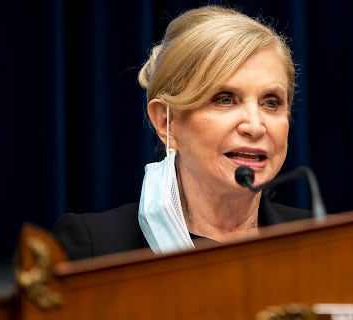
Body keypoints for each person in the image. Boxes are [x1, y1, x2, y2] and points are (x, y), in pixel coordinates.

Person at [52, 5, 312, 261]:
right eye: (225, 99)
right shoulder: (96, 247)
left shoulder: (317, 237)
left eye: (271, 102)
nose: (255, 127)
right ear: (167, 123)